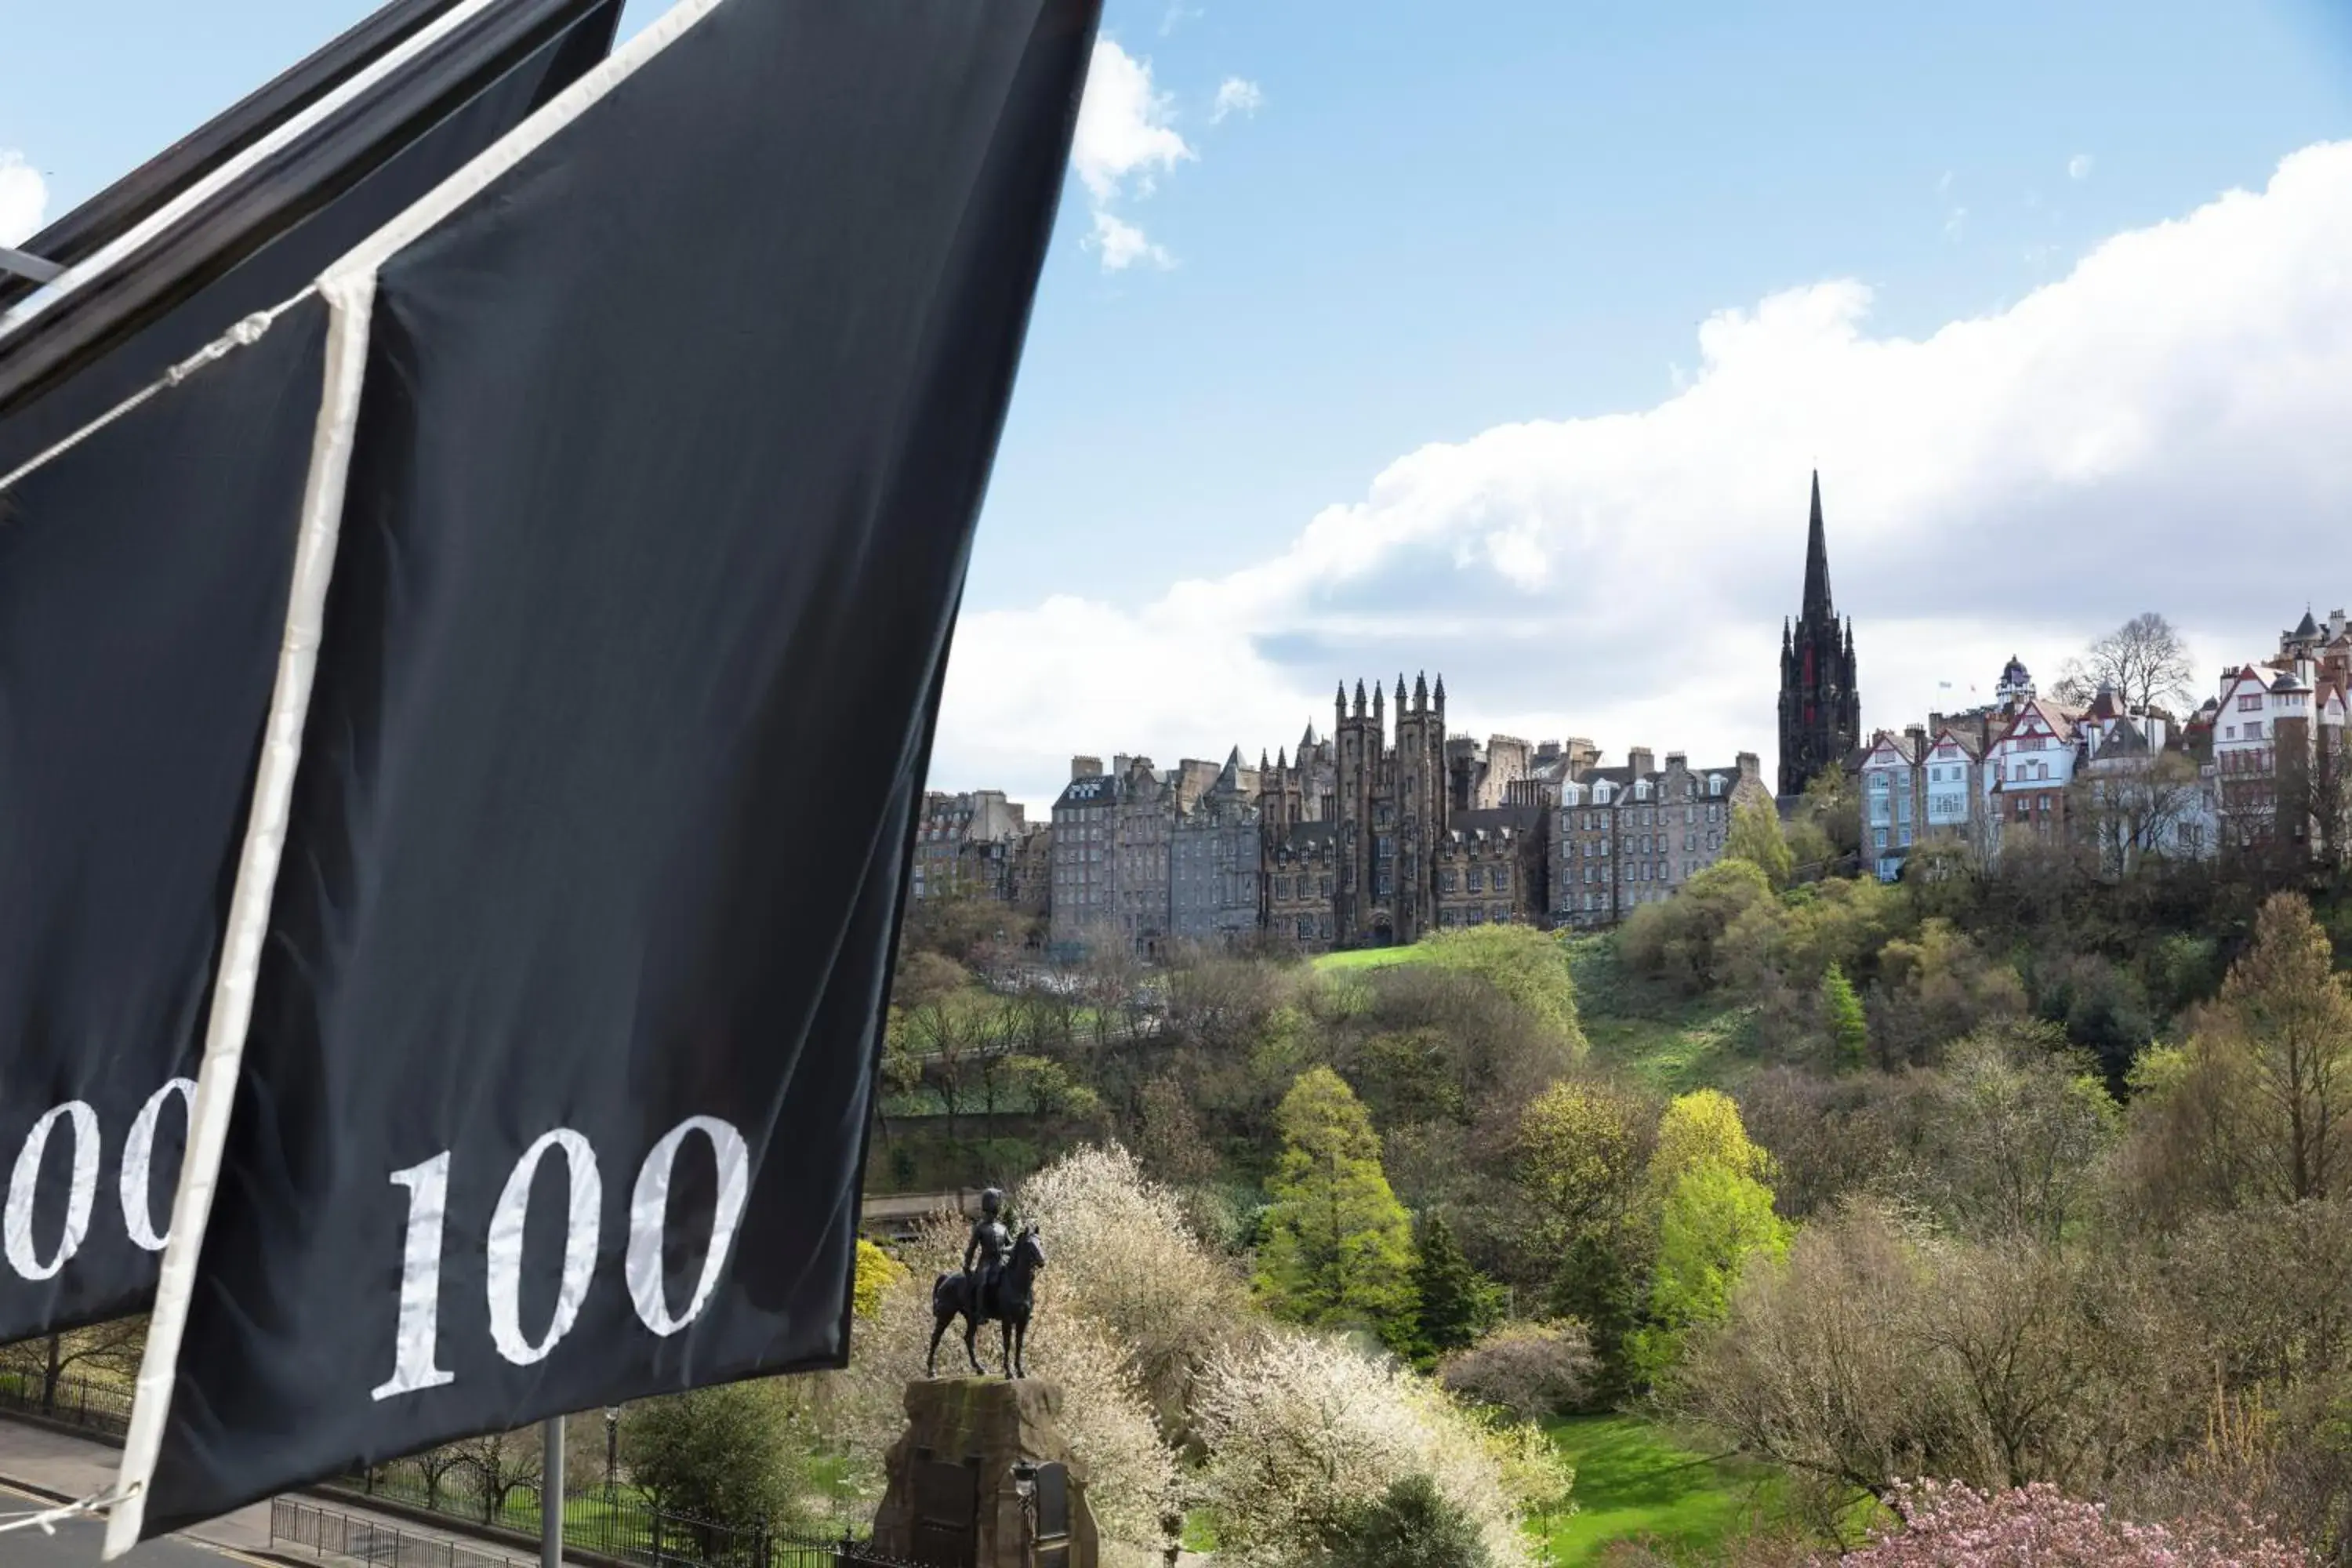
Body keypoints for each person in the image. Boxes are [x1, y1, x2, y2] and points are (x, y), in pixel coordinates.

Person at [962, 1188, 1013, 1319]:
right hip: (986, 1263)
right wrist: (967, 1266)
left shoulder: (1003, 1228)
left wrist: (1004, 1251)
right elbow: (971, 1248)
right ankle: (980, 1312)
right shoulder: (980, 1227)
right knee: (982, 1282)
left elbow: (1011, 1246)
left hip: (1001, 1262)